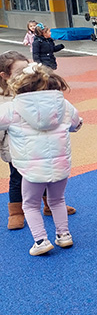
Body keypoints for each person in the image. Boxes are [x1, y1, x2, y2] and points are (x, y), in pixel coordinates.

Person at [0, 63, 82, 256]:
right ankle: (64, 235)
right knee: (57, 200)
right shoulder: (64, 105)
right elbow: (76, 124)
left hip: (31, 169)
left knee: (30, 204)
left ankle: (41, 240)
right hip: (60, 166)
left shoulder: (12, 108)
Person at [1, 51, 29, 230]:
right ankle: (16, 211)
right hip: (15, 148)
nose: (26, 76)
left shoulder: (33, 90)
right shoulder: (3, 99)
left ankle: (51, 204)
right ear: (5, 76)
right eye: (20, 73)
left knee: (44, 176)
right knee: (17, 179)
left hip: (36, 145)